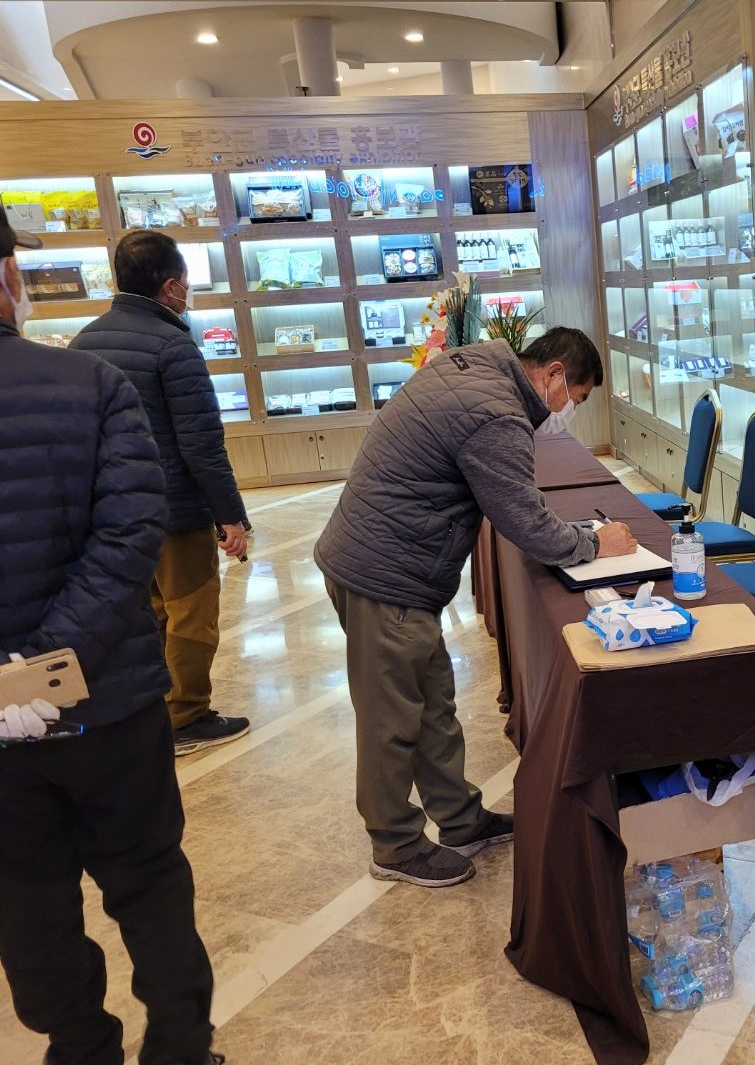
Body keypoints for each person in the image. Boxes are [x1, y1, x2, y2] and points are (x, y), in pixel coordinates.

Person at [0, 191, 220, 1065]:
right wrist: (47, 667)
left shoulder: (95, 365)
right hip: (108, 700)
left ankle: (79, 1050)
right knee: (149, 881)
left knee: (23, 897)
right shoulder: (89, 383)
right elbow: (129, 537)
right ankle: (180, 1049)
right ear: (8, 275)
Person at [315, 328, 637, 888]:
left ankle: (461, 819)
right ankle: (395, 846)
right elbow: (524, 522)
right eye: (577, 398)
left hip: (392, 563)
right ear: (554, 374)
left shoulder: (475, 366)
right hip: (385, 574)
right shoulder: (496, 413)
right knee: (392, 720)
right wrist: (593, 542)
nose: (569, 412)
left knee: (432, 702)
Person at [73, 230, 251, 756]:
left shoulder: (84, 342)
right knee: (192, 612)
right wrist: (231, 517)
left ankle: (151, 709)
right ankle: (187, 716)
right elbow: (201, 445)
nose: (187, 292)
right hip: (173, 509)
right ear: (171, 286)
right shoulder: (174, 345)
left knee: (148, 610)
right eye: (186, 282)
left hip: (113, 512)